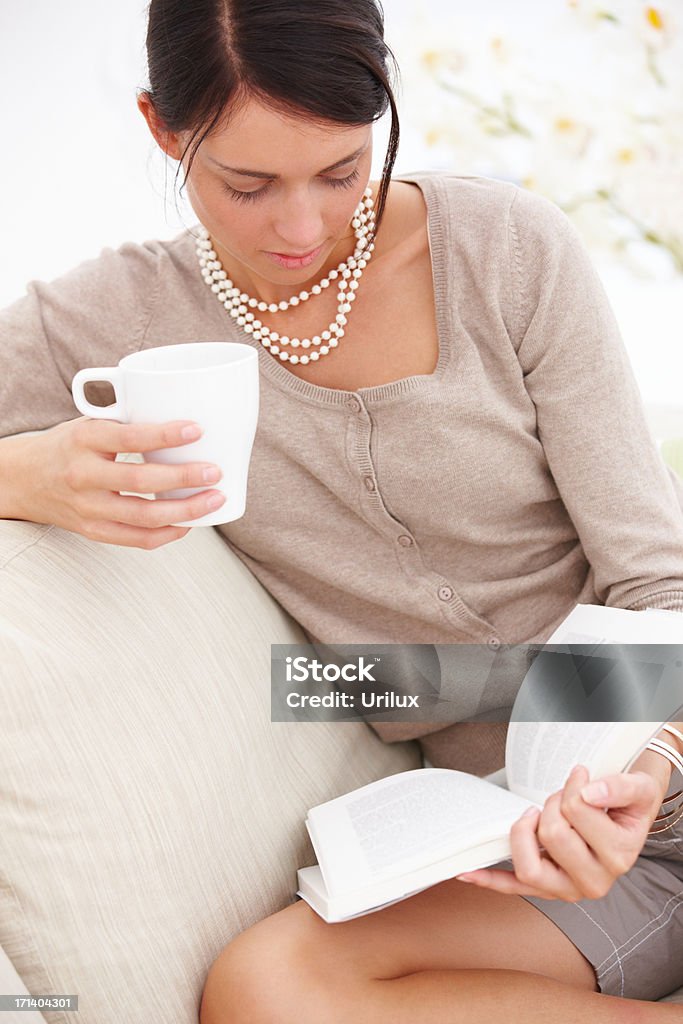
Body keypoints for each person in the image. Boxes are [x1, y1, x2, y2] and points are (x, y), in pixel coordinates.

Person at [2, 0, 683, 1020]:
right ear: (160, 130)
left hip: (649, 761)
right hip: (517, 845)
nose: (303, 227)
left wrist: (644, 761)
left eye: (338, 171)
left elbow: (653, 580)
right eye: (247, 184)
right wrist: (26, 476)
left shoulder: (504, 251)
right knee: (264, 989)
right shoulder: (107, 322)